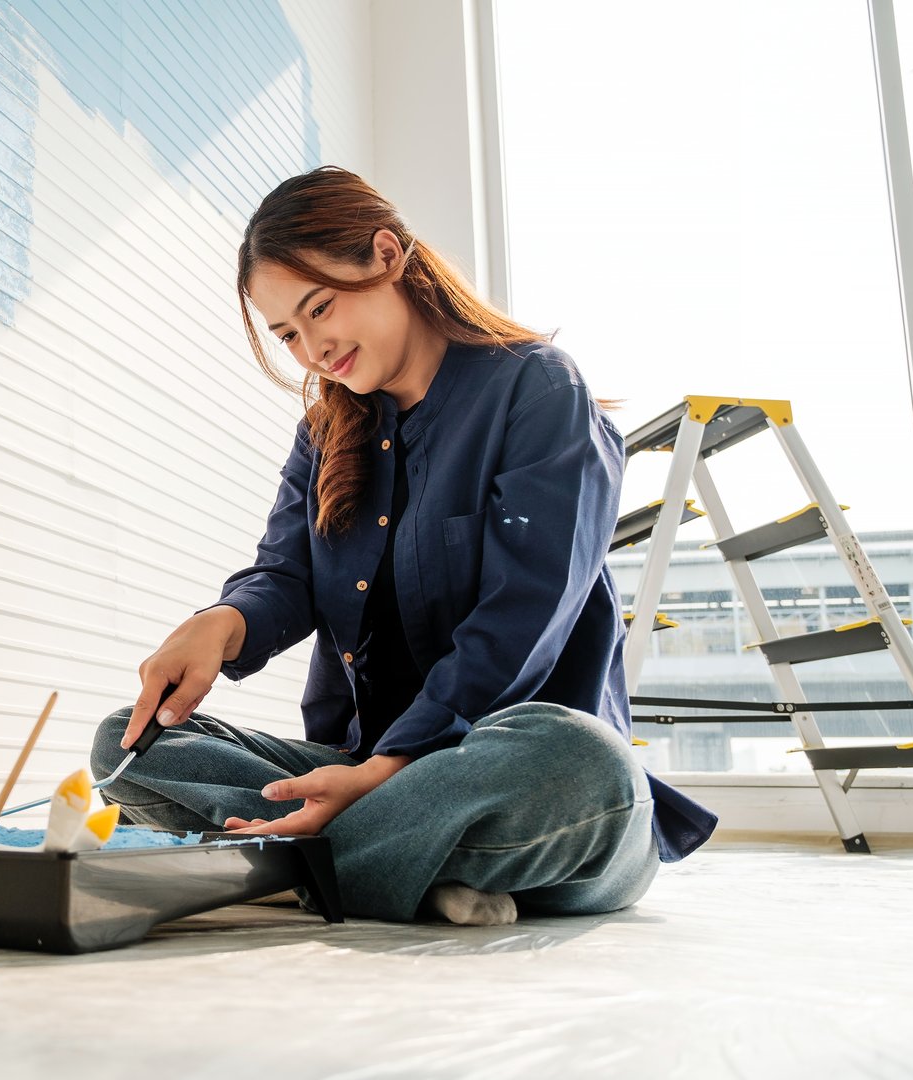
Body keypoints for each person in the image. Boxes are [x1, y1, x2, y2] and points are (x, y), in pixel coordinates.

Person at [89, 166, 717, 926]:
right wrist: (219, 625)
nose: (312, 349)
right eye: (288, 335)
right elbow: (285, 575)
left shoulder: (540, 390)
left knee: (582, 761)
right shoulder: (324, 432)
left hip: (512, 774)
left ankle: (305, 864)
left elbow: (526, 615)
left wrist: (392, 769)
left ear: (386, 255)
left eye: (319, 308)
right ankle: (396, 865)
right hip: (362, 773)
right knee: (128, 743)